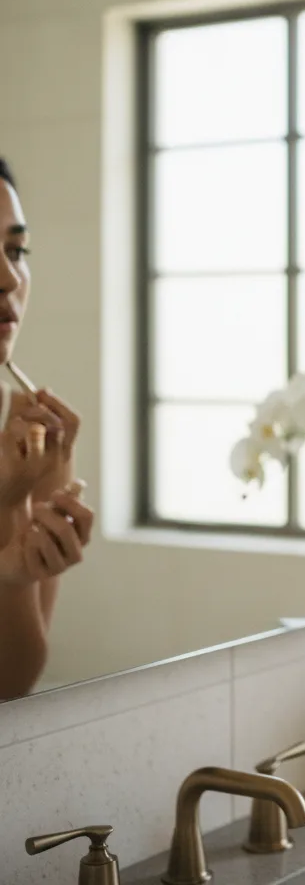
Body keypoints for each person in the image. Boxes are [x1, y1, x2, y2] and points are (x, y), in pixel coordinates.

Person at [0, 157, 92, 700]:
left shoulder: (33, 443)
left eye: (15, 250)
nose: (8, 278)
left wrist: (12, 508)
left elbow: (11, 688)